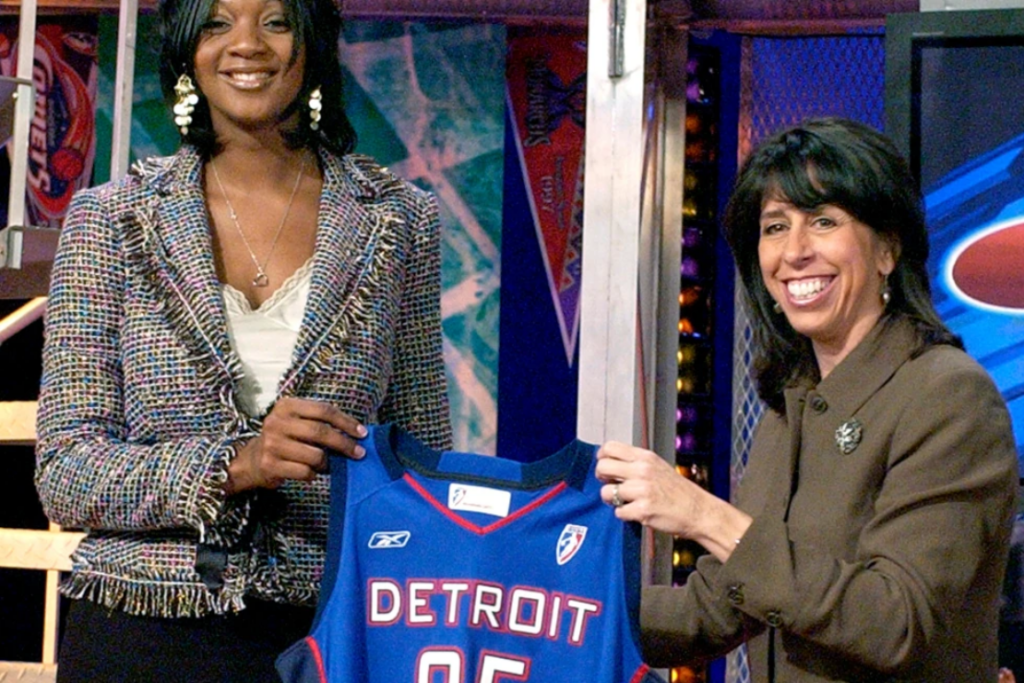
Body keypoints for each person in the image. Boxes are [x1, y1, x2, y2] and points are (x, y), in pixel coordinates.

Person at [33, 0, 451, 680]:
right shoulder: (110, 220)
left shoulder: (400, 219)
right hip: (141, 629)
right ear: (187, 50)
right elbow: (66, 473)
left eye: (276, 22)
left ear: (311, 43)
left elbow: (423, 459)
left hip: (330, 629)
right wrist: (236, 463)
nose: (247, 45)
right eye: (217, 23)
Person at [595, 118, 1019, 682]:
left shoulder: (948, 395)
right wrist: (546, 602)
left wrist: (703, 516)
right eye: (774, 227)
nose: (794, 252)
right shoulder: (791, 405)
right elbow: (712, 612)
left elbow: (896, 622)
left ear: (888, 248)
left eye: (822, 221)